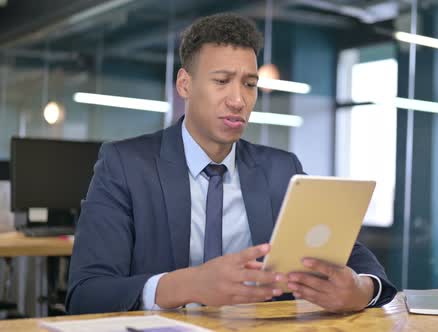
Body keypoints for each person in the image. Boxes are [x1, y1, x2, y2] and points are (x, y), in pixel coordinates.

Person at [66, 13, 396, 315]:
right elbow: (86, 295)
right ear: (185, 85)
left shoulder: (281, 170)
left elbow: (352, 254)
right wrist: (190, 284)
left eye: (249, 84)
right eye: (221, 81)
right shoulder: (124, 165)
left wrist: (361, 289)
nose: (238, 100)